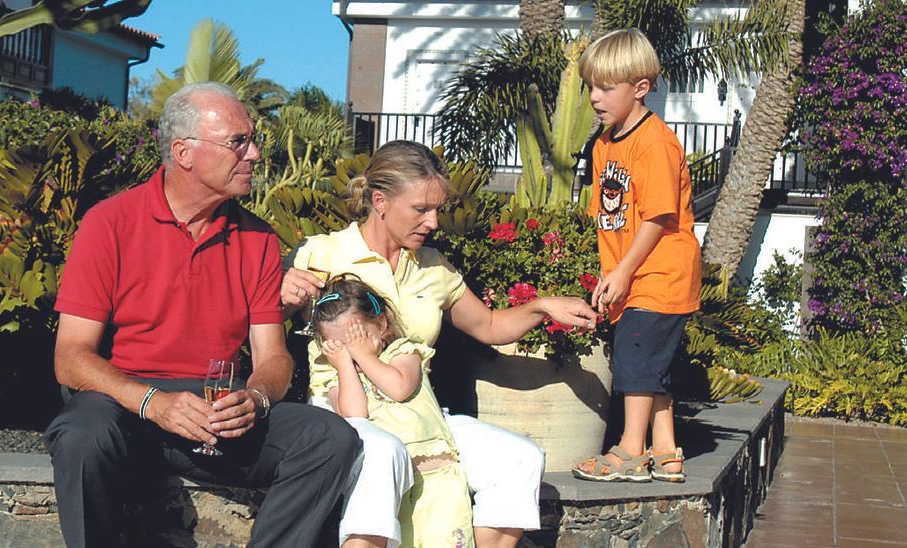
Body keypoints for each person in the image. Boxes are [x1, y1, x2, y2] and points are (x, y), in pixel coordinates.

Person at [45, 82, 362, 547]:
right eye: (238, 142)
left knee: (330, 439)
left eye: (253, 140)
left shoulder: (257, 239)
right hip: (125, 405)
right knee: (82, 434)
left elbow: (273, 358)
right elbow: (70, 359)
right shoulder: (109, 223)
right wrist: (154, 402)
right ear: (184, 152)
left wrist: (255, 399)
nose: (253, 154)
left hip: (217, 412)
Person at [282, 140, 599, 548]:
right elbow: (264, 317)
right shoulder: (322, 253)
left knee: (520, 457)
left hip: (420, 410)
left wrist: (542, 307)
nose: (433, 221)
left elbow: (487, 325)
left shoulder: (433, 266)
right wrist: (281, 291)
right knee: (383, 454)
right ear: (379, 200)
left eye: (437, 210)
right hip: (346, 407)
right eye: (420, 209)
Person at [571, 29, 701, 483]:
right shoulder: (606, 143)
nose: (595, 97)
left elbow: (658, 217)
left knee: (636, 358)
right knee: (651, 362)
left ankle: (630, 449)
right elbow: (610, 220)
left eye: (607, 87)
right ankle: (665, 451)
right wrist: (612, 275)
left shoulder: (656, 143)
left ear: (640, 88)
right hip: (632, 275)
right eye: (591, 86)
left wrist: (624, 271)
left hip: (660, 272)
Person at [311, 275, 474, 547]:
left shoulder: (403, 351)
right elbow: (355, 416)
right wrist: (343, 366)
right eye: (338, 346)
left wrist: (365, 356)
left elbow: (399, 387)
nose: (350, 350)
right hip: (391, 486)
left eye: (357, 338)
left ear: (381, 324)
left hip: (435, 478)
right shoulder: (339, 378)